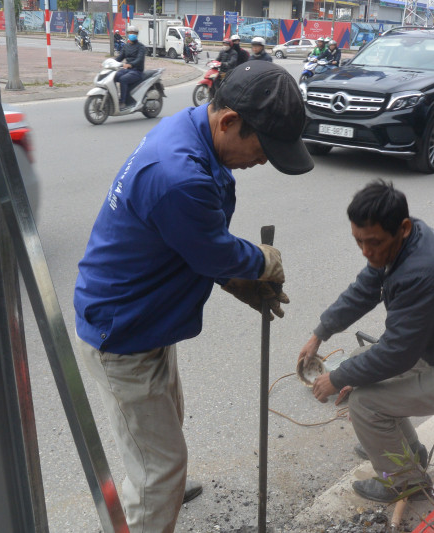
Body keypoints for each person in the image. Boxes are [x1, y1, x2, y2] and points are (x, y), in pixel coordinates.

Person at [74, 61, 314, 533]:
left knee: (160, 437)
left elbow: (187, 242)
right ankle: (152, 499)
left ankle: (156, 486)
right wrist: (260, 263)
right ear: (229, 122)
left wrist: (230, 277)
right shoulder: (179, 174)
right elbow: (214, 248)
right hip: (123, 334)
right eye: (263, 148)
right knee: (158, 468)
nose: (264, 161)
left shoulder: (191, 132)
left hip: (147, 320)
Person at [298, 181, 434, 503]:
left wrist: (336, 379)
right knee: (361, 358)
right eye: (359, 242)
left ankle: (405, 483)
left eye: (373, 243)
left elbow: (397, 354)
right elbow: (365, 289)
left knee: (365, 403)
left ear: (403, 227)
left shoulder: (423, 271)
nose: (366, 252)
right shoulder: (403, 244)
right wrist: (320, 333)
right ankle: (407, 452)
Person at [114, 25, 146, 112]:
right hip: (127, 70)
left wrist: (130, 64)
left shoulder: (141, 47)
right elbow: (120, 57)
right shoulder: (126, 46)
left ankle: (123, 102)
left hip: (137, 71)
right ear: (127, 34)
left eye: (134, 33)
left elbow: (139, 59)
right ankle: (115, 98)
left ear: (137, 35)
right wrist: (109, 63)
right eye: (130, 33)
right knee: (115, 76)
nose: (132, 34)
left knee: (123, 79)